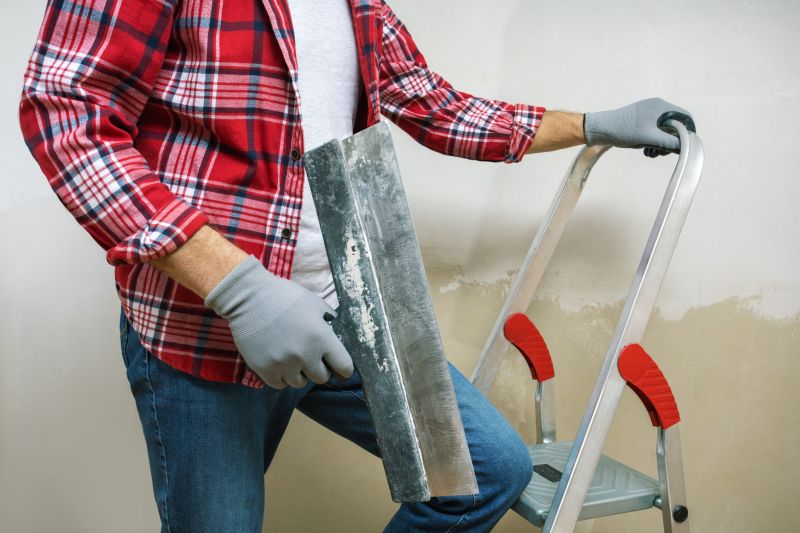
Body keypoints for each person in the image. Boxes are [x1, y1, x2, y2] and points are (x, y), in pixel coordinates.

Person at [18, 0, 692, 531]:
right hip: (203, 331)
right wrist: (237, 285)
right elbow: (65, 112)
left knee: (486, 472)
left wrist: (594, 123)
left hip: (343, 310)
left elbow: (436, 106)